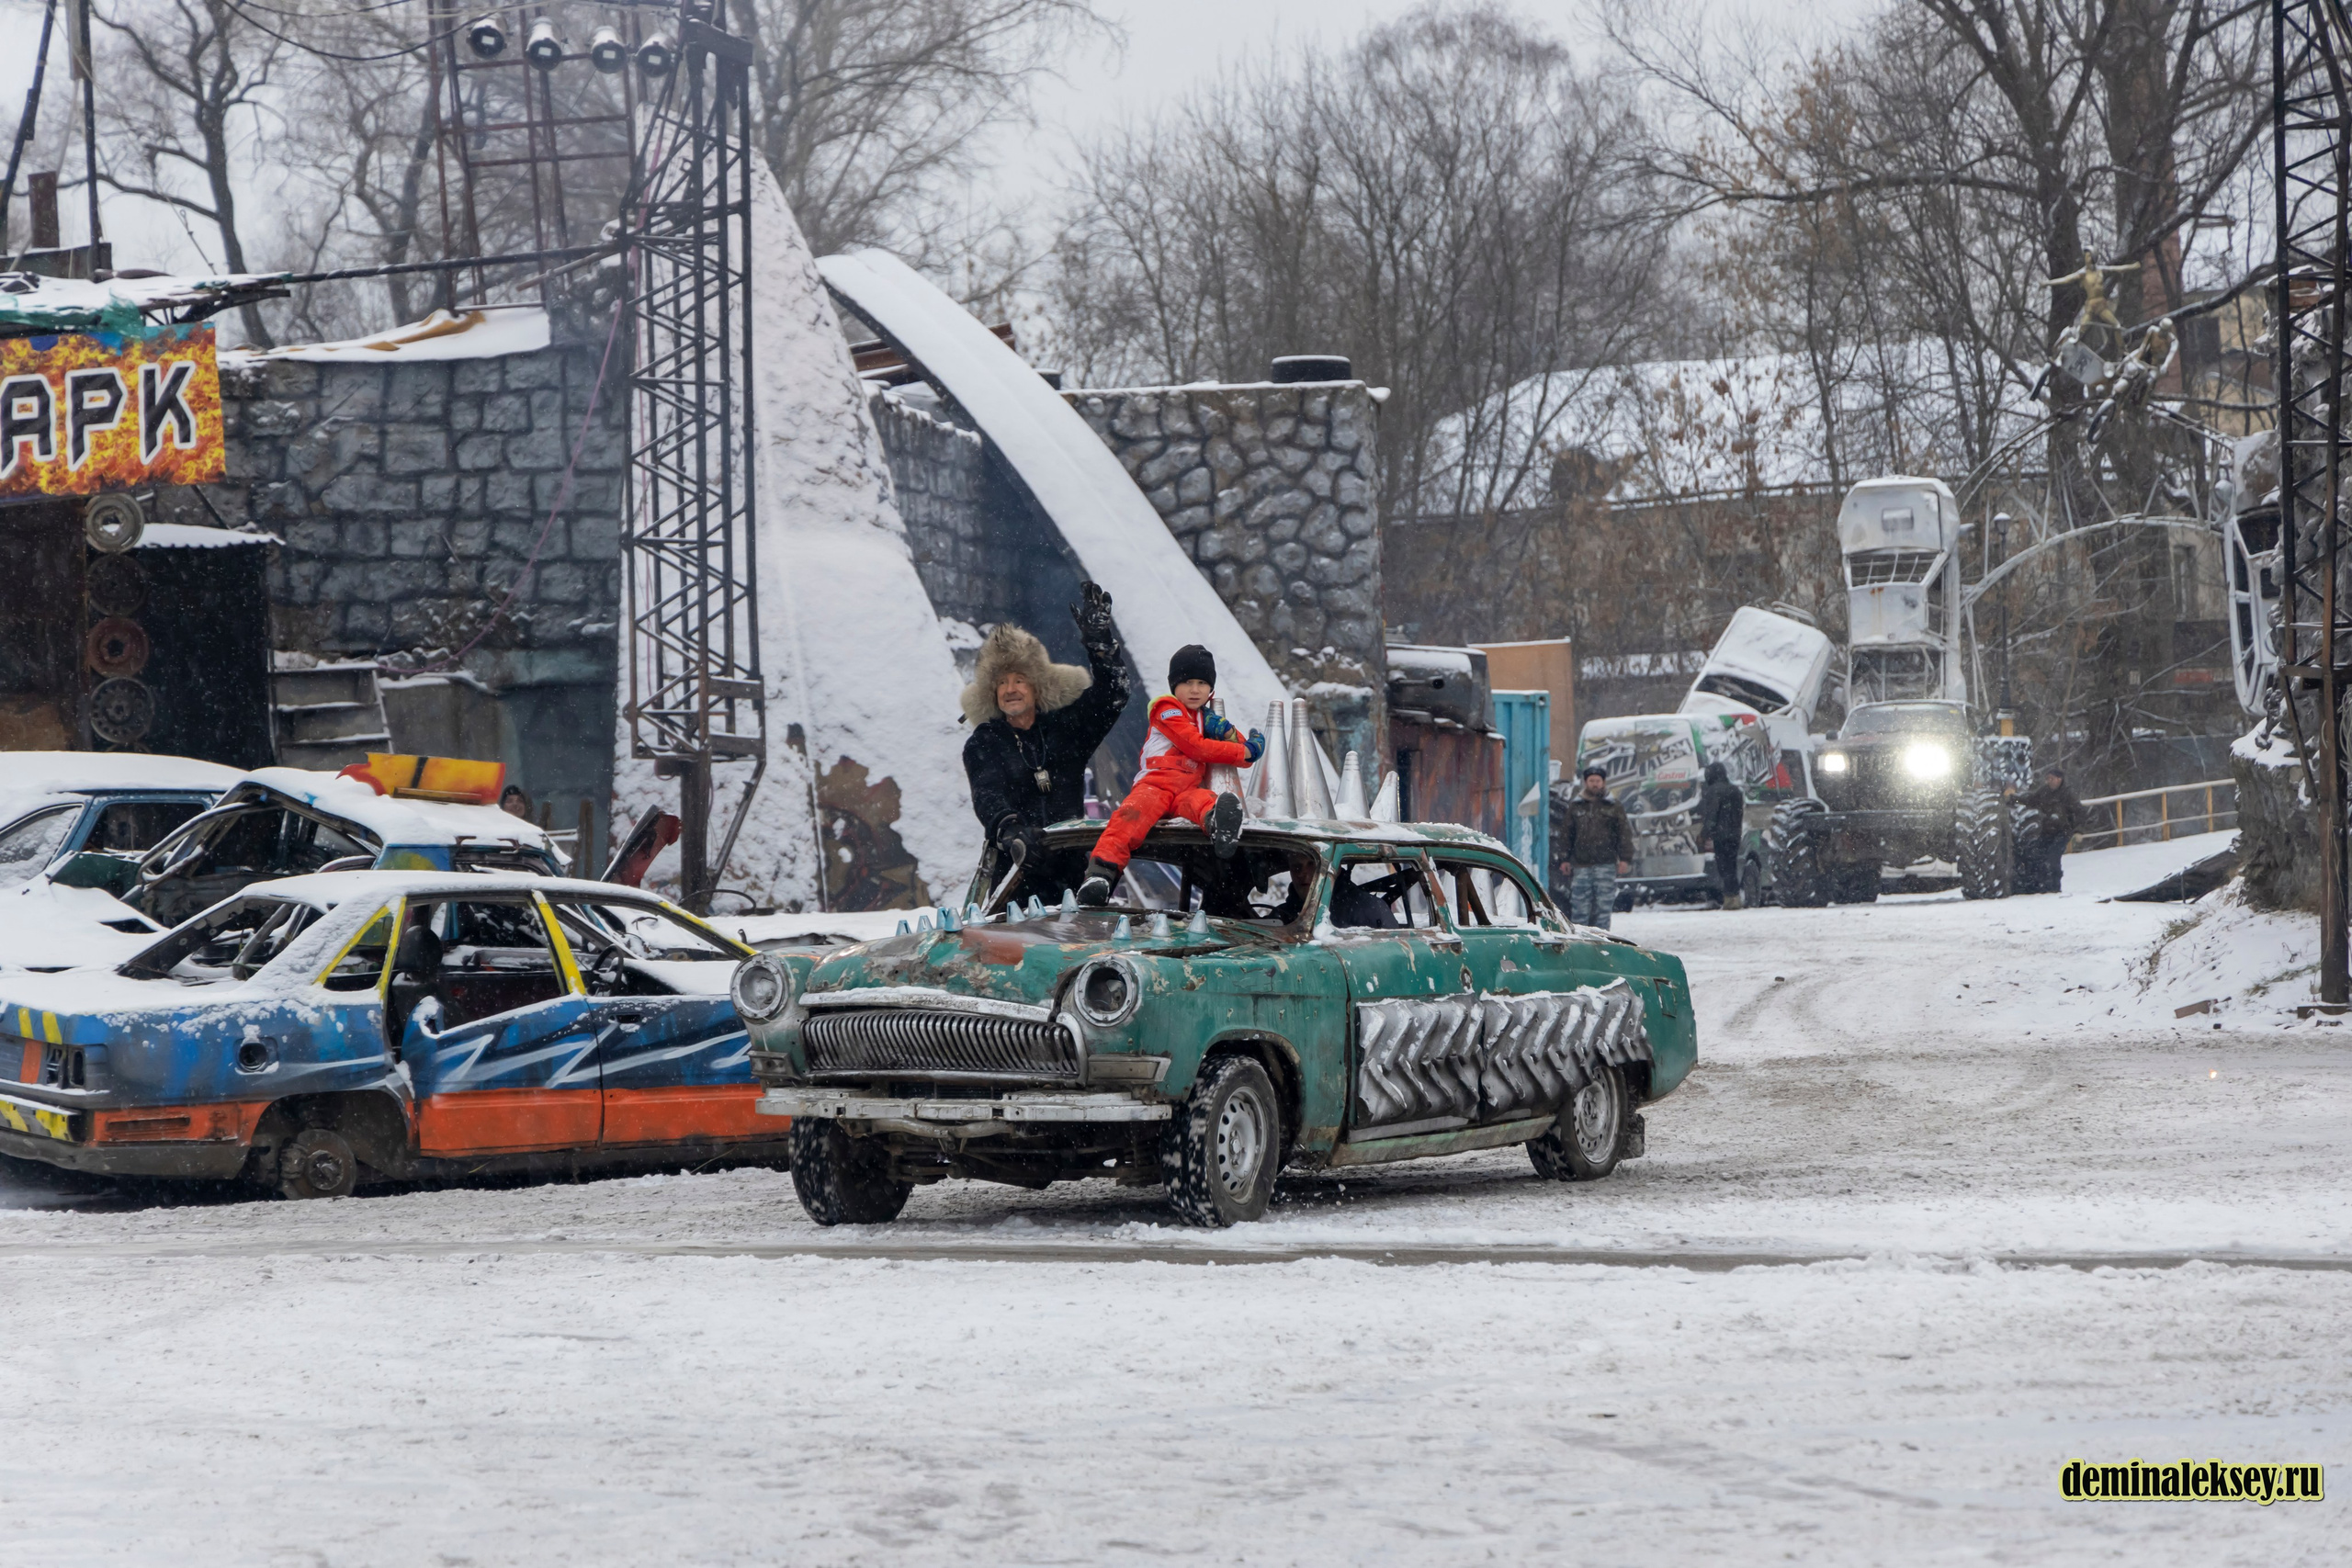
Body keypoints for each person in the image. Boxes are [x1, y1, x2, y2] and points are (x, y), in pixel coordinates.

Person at [960, 581, 1132, 905]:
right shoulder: (984, 742)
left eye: (1019, 680)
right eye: (1002, 682)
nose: (1010, 689)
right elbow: (987, 795)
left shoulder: (1065, 729)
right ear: (992, 692)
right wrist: (1011, 830)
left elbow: (1114, 695)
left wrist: (1100, 645)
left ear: (1036, 686)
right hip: (1015, 879)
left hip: (1073, 881)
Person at [1076, 644, 1264, 906]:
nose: (1195, 689)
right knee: (1129, 818)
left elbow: (1237, 749)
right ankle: (1101, 875)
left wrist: (1236, 737)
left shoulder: (1204, 718)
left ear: (1211, 689)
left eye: (1202, 683)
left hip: (1187, 788)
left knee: (1205, 801)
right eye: (1187, 682)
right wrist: (1245, 751)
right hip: (1157, 782)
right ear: (1174, 685)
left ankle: (1219, 825)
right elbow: (1196, 747)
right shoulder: (1166, 708)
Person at [1557, 765, 1634, 930]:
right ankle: (1581, 942)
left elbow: (1624, 833)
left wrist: (1625, 859)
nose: (1595, 784)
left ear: (1603, 782)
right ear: (1585, 782)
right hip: (1581, 865)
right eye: (1591, 781)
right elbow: (1567, 834)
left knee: (1603, 908)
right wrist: (1564, 859)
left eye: (1598, 781)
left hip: (1606, 864)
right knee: (1579, 908)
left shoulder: (1613, 806)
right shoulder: (1576, 806)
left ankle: (1602, 942)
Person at [2019, 765, 2083, 894]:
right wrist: (2014, 798)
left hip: (2063, 831)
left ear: (2059, 779)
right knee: (2035, 854)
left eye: (2051, 778)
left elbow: (2079, 811)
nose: (2049, 781)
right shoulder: (2044, 792)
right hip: (2047, 831)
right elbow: (2031, 800)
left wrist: (2079, 831)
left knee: (2053, 857)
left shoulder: (2068, 793)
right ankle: (2038, 886)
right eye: (2047, 779)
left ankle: (2055, 887)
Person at [1696, 760, 1747, 910]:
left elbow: (1712, 815)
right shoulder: (1736, 790)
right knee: (1731, 866)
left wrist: (1704, 834)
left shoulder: (1713, 791)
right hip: (1735, 834)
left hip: (1721, 835)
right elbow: (1739, 814)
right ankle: (1734, 897)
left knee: (1724, 868)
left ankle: (1731, 899)